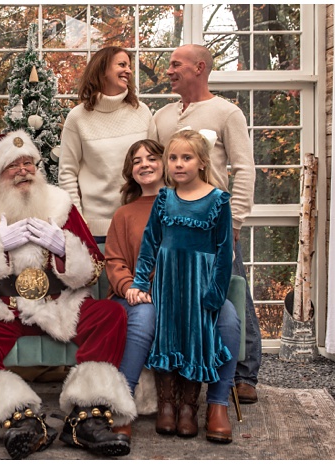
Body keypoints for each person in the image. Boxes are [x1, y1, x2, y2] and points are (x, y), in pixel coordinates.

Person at [0, 130, 136, 459]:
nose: (24, 170)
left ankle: (88, 418)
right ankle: (17, 418)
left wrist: (64, 250)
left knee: (111, 315)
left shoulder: (59, 205)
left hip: (57, 307)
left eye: (29, 162)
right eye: (13, 165)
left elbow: (95, 266)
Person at [105, 138, 240, 443]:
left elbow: (220, 251)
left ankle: (217, 405)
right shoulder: (124, 214)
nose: (145, 164)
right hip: (144, 296)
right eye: (137, 160)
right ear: (131, 171)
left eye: (151, 157)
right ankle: (123, 406)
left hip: (195, 288)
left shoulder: (197, 200)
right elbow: (114, 261)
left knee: (229, 318)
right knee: (146, 316)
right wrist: (131, 287)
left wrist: (211, 289)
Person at [149, 43, 259, 404]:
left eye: (175, 64)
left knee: (231, 292)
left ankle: (244, 374)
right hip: (175, 226)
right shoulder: (162, 117)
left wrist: (236, 220)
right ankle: (182, 371)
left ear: (199, 67)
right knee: (181, 300)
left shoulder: (227, 113)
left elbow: (244, 169)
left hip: (215, 224)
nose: (168, 70)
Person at [58, 46, 156, 239]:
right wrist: (79, 222)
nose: (128, 70)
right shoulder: (77, 118)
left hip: (143, 226)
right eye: (121, 64)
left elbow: (157, 166)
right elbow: (67, 172)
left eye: (129, 66)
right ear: (102, 70)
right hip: (96, 231)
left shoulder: (141, 112)